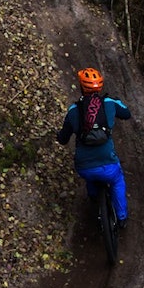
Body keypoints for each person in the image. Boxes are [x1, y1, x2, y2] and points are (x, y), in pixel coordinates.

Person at [56, 67, 132, 228]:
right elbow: (126, 113)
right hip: (108, 163)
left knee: (91, 177)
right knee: (117, 180)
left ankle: (93, 197)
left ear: (81, 87)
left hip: (84, 166)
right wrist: (116, 102)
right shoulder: (109, 103)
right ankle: (122, 217)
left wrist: (58, 135)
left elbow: (63, 139)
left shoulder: (73, 111)